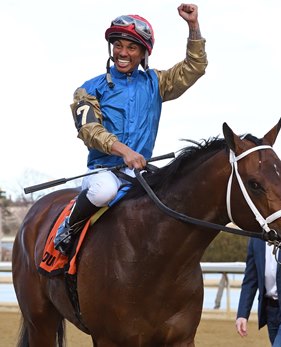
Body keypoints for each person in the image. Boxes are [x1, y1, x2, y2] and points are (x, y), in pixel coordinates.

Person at [54, 4, 208, 255]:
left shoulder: (156, 83)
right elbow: (89, 129)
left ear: (143, 53)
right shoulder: (89, 89)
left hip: (141, 172)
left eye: (131, 47)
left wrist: (193, 27)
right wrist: (124, 151)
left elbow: (195, 67)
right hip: (104, 171)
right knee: (105, 191)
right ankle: (68, 227)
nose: (122, 53)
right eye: (118, 46)